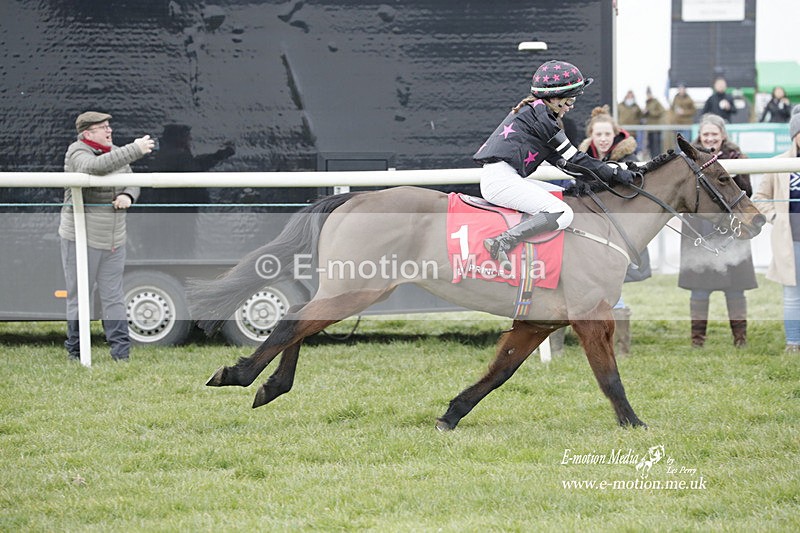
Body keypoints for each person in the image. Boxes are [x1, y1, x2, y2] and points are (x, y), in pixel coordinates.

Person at [473, 60, 640, 266]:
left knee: (564, 197)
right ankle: (502, 242)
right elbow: (574, 158)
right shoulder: (544, 121)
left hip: (504, 178)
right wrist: (614, 174)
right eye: (569, 100)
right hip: (501, 181)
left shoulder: (537, 113)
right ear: (554, 98)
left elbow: (567, 165)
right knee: (562, 213)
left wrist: (607, 175)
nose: (572, 105)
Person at [59, 111, 155, 361]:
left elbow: (130, 180)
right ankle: (76, 352)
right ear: (87, 134)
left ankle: (121, 355)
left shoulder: (114, 151)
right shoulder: (77, 152)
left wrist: (128, 195)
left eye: (109, 126)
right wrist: (134, 148)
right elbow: (95, 168)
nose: (109, 131)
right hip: (81, 240)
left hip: (115, 241)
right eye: (103, 127)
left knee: (113, 297)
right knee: (79, 297)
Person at [678, 113, 756, 348]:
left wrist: (731, 180)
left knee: (735, 289)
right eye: (706, 134)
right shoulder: (688, 159)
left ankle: (740, 340)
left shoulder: (738, 158)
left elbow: (748, 192)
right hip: (699, 230)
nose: (710, 138)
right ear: (700, 136)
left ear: (723, 135)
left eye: (714, 133)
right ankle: (697, 341)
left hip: (732, 229)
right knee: (699, 289)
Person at [752, 105, 800, 352]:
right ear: (794, 135)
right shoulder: (778, 164)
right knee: (792, 292)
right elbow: (760, 197)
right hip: (790, 240)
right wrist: (775, 217)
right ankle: (793, 342)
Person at [618, 89, 644, 155]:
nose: (630, 98)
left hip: (633, 132)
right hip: (623, 132)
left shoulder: (636, 106)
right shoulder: (620, 106)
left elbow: (641, 116)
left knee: (633, 149)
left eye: (631, 96)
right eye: (628, 96)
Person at [642, 86, 666, 157]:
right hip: (649, 129)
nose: (648, 95)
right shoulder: (647, 103)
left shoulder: (656, 102)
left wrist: (650, 112)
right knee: (651, 146)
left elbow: (662, 111)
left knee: (657, 147)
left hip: (656, 128)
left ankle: (658, 159)